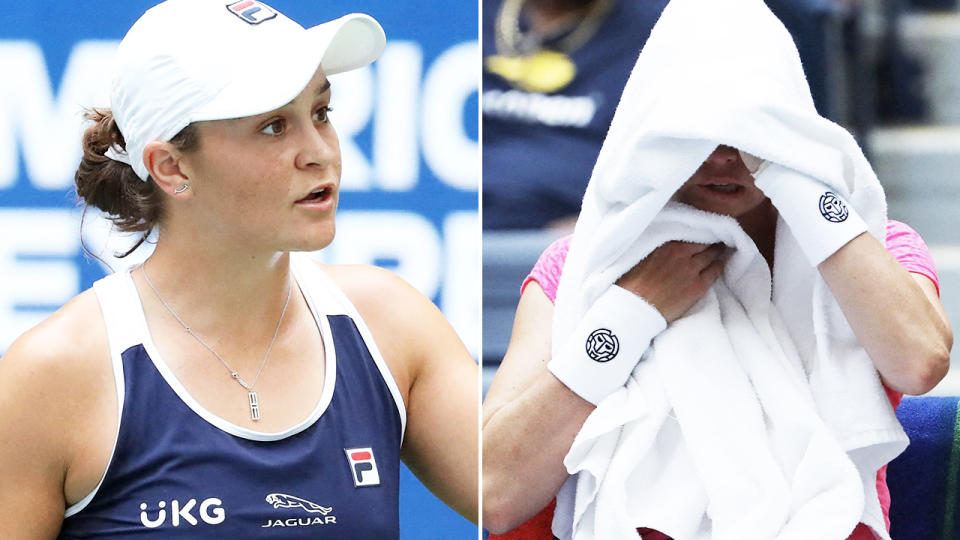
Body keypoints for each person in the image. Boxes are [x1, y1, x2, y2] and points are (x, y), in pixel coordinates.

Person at [0, 1, 477, 537]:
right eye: (274, 126)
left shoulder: (391, 325)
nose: (320, 152)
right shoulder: (51, 376)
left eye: (321, 113)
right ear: (172, 167)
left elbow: (517, 493)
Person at [482, 0, 952, 538]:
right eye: (695, 130)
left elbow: (919, 363)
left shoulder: (870, 249)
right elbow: (495, 491)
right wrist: (630, 313)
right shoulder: (579, 263)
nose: (723, 156)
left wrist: (794, 174)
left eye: (748, 130)